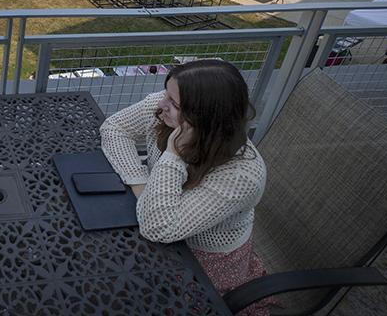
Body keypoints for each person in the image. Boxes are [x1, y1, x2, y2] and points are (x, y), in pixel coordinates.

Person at [99, 61, 269, 316]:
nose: (160, 105)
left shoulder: (242, 176)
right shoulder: (169, 109)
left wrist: (174, 154)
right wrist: (141, 185)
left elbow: (158, 227)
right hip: (153, 233)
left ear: (206, 118)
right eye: (166, 94)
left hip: (199, 265)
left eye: (174, 104)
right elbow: (114, 128)